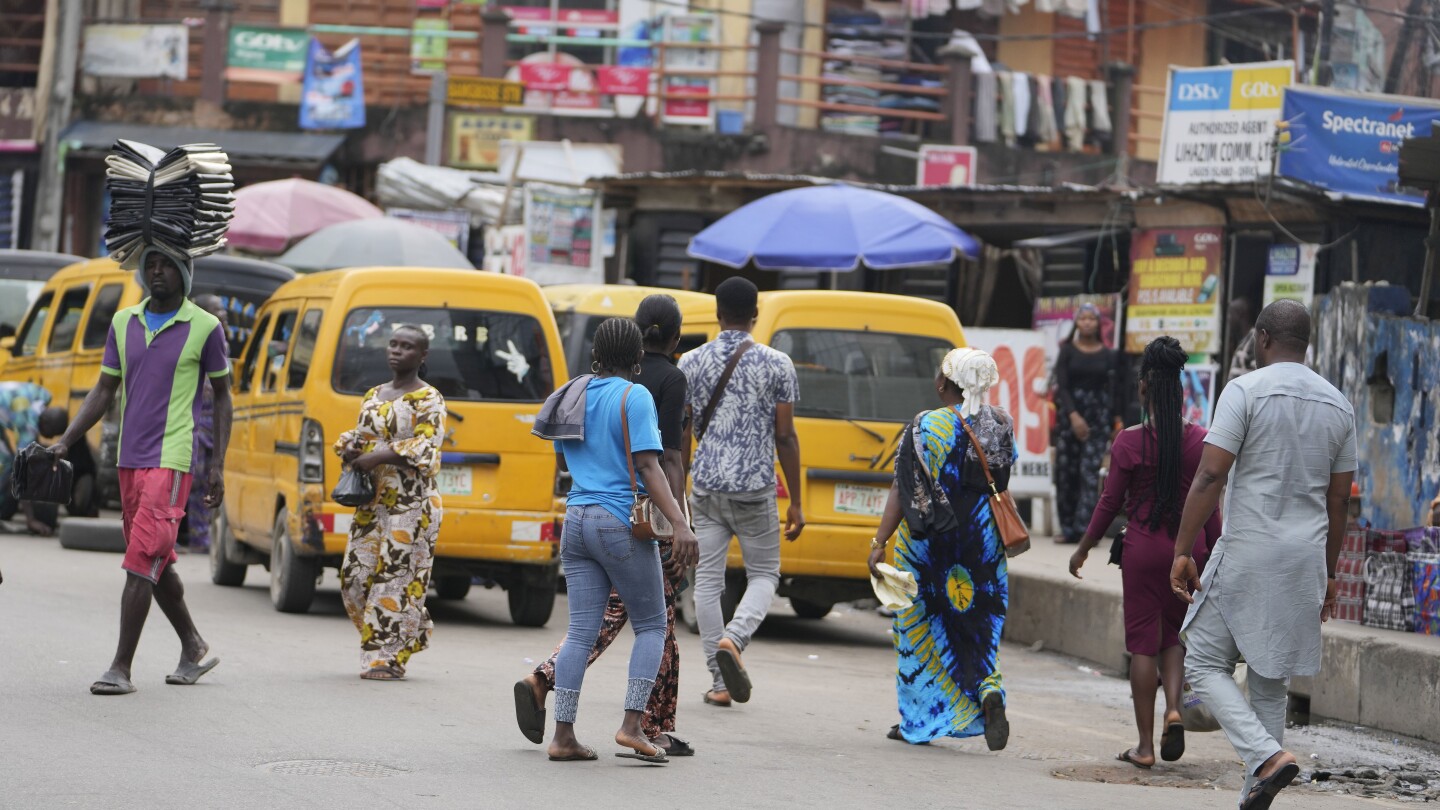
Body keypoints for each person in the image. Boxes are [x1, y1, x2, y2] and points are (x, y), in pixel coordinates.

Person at [1170, 299, 1356, 810]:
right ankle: (1258, 786)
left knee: (1203, 660)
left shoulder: (1243, 390)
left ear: (1262, 338)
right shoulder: (1339, 403)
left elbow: (1211, 474)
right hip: (1304, 558)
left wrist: (1184, 549)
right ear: (1307, 344)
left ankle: (1267, 758)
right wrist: (1331, 573)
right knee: (1270, 679)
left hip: (1249, 548)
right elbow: (1338, 499)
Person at [47, 249, 231, 696]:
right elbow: (105, 388)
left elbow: (223, 397)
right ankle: (193, 645)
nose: (156, 272)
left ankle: (120, 667)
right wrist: (65, 441)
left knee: (140, 561)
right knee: (154, 560)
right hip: (129, 459)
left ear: (184, 273)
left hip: (171, 460)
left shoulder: (205, 327)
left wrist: (218, 466)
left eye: (166, 265)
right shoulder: (123, 321)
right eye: (150, 265)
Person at [517, 294, 694, 755]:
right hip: (618, 521)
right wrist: (680, 524)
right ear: (637, 358)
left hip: (575, 521)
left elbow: (564, 455)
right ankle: (632, 726)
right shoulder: (634, 396)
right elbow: (652, 468)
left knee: (580, 632)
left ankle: (563, 736)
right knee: (653, 624)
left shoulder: (574, 391)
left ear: (597, 353)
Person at [1068, 336, 1221, 769]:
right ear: (1181, 389)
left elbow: (1109, 503)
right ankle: (1174, 708)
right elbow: (1209, 503)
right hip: (1188, 553)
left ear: (1142, 389)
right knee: (1174, 637)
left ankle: (1145, 746)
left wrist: (1083, 550)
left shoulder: (1129, 442)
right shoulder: (1201, 442)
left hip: (1142, 551)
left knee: (1142, 646)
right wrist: (1215, 553)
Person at [866, 347, 1015, 748]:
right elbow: (1000, 481)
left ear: (942, 384)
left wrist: (880, 542)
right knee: (978, 624)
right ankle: (989, 690)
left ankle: (920, 720)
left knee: (918, 631)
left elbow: (902, 487)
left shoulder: (923, 426)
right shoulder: (1002, 423)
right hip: (982, 544)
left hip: (927, 545)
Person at [679, 277, 804, 707]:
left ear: (717, 313)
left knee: (707, 585)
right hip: (754, 487)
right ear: (755, 315)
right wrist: (798, 503)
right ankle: (735, 638)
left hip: (707, 486)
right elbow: (785, 437)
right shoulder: (778, 364)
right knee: (765, 573)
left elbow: (682, 433)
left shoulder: (690, 362)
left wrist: (681, 492)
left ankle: (718, 682)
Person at [334, 325, 446, 681]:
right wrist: (351, 448)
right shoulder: (373, 394)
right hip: (372, 502)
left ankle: (384, 658)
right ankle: (412, 626)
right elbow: (360, 436)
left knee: (394, 580)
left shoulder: (430, 398)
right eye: (394, 344)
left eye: (407, 347)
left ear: (422, 355)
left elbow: (427, 448)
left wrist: (379, 455)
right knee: (354, 577)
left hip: (412, 505)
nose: (397, 351)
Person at [1053, 302, 1124, 544]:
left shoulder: (1108, 354)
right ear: (1076, 323)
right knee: (1066, 472)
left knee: (1089, 473)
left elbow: (1115, 388)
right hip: (1070, 416)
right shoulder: (1067, 351)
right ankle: (1068, 528)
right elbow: (1061, 387)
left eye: (1091, 319)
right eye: (1082, 318)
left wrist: (1116, 419)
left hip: (1098, 417)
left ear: (1098, 324)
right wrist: (1073, 416)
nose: (1086, 323)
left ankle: (1086, 531)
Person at [183, 295, 229, 552]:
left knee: (212, 484)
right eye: (217, 312)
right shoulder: (194, 342)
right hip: (197, 429)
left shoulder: (222, 345)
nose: (223, 317)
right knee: (195, 483)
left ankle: (203, 537)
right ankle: (197, 537)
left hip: (216, 430)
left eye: (224, 313)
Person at [0, 383, 60, 535]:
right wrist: (30, 519)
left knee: (7, 460)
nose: (51, 438)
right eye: (52, 433)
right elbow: (21, 473)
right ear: (45, 423)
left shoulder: (44, 396)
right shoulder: (28, 426)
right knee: (5, 465)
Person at [1226, 299, 1258, 384]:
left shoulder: (1254, 339)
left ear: (1239, 314)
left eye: (1230, 314)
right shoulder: (1245, 340)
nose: (1228, 318)